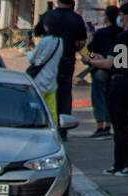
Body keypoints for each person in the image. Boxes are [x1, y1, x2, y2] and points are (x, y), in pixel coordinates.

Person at [89, 2, 128, 176]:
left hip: (120, 83)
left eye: (121, 14)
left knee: (120, 125)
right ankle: (118, 162)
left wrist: (90, 61)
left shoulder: (125, 37)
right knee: (120, 125)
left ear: (126, 16)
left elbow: (112, 64)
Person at [41, 0, 87, 136]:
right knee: (65, 94)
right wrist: (74, 49)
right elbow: (82, 42)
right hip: (67, 61)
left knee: (48, 94)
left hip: (49, 63)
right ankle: (63, 129)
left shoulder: (49, 16)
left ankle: (48, 126)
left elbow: (36, 36)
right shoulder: (76, 19)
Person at [86, 6, 121, 137]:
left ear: (106, 17)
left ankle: (100, 126)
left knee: (99, 97)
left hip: (100, 70)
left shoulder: (100, 33)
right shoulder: (121, 33)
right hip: (117, 72)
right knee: (112, 99)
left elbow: (89, 50)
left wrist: (91, 58)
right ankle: (109, 124)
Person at [27, 18, 63, 119]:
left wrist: (28, 52)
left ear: (47, 27)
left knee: (36, 108)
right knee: (52, 110)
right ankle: (54, 128)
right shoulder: (60, 41)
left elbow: (33, 59)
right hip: (52, 81)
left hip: (39, 81)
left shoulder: (44, 41)